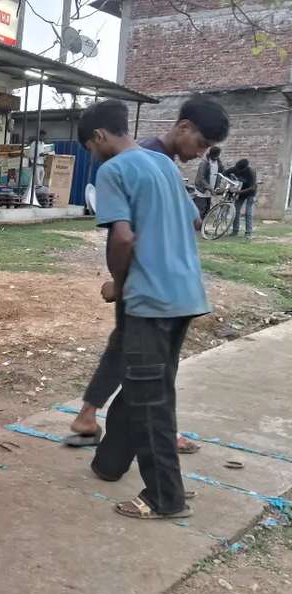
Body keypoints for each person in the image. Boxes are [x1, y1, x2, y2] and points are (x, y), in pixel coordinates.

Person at [68, 95, 230, 452]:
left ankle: (98, 428)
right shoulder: (149, 158)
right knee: (146, 364)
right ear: (183, 127)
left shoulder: (151, 160)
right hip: (146, 283)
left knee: (133, 354)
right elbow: (126, 235)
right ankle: (147, 433)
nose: (201, 153)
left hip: (149, 282)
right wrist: (122, 282)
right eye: (201, 144)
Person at [223, 158, 257, 239]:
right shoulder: (235, 168)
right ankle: (235, 231)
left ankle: (248, 232)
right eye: (237, 169)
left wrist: (239, 192)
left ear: (245, 168)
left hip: (250, 193)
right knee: (236, 210)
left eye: (240, 170)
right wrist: (231, 179)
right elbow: (224, 173)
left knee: (248, 212)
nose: (238, 171)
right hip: (240, 191)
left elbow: (253, 187)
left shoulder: (251, 172)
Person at [193, 146, 224, 218]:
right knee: (200, 211)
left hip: (210, 191)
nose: (216, 157)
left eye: (217, 155)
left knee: (207, 211)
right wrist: (210, 188)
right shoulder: (204, 163)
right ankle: (196, 225)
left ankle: (202, 225)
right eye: (215, 156)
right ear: (211, 154)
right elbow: (201, 178)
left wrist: (217, 186)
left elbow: (221, 173)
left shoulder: (219, 163)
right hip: (201, 191)